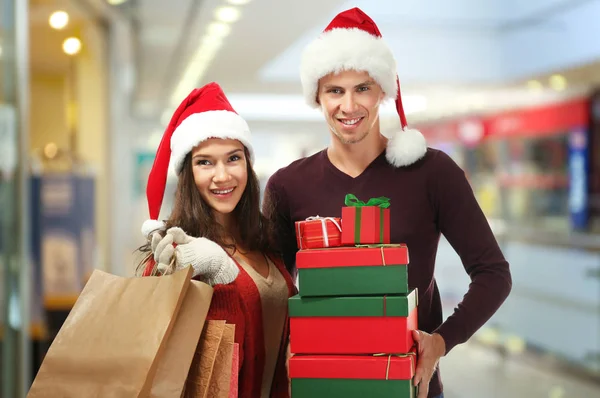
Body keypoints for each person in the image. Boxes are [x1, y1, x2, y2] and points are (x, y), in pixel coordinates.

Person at [261, 8, 512, 398]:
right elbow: (270, 292)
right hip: (322, 387)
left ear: (383, 90)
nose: (349, 106)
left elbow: (494, 273)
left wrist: (441, 341)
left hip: (411, 387)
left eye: (362, 88)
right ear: (317, 96)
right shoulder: (287, 185)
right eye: (335, 90)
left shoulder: (433, 173)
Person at [137, 82, 295, 398]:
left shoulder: (266, 241)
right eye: (205, 162)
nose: (222, 175)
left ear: (247, 165)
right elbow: (196, 367)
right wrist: (220, 280)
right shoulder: (176, 253)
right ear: (188, 174)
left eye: (233, 158)